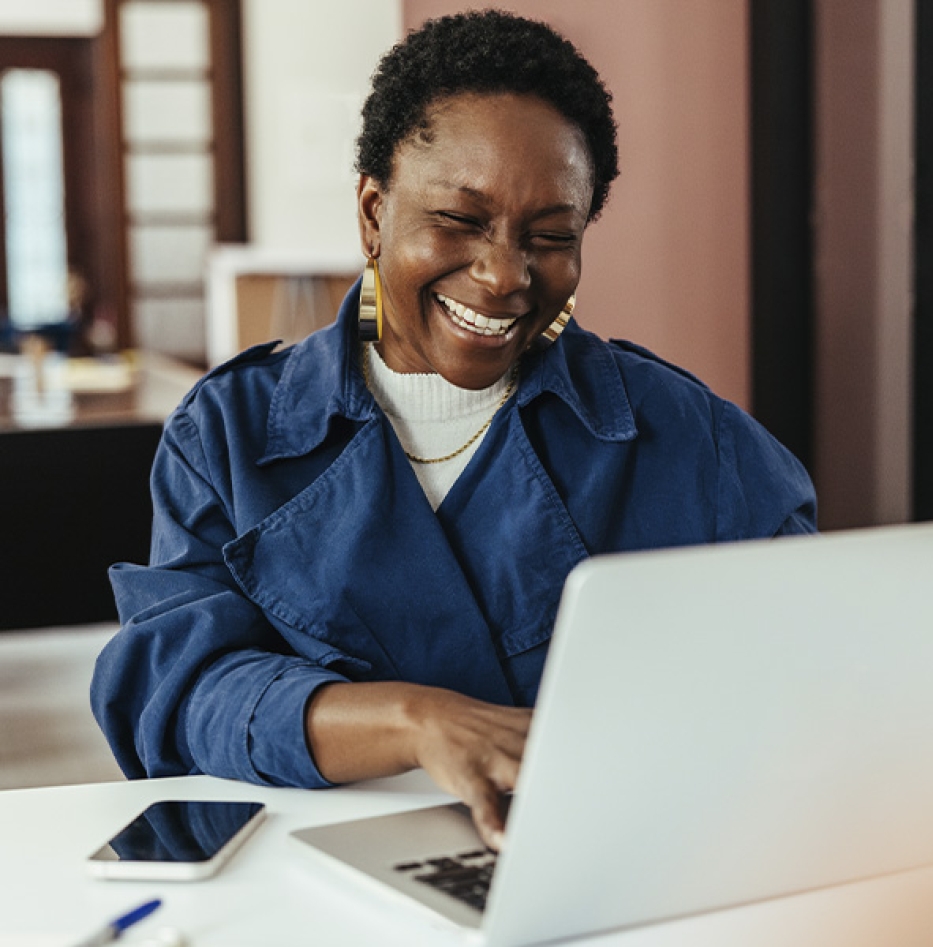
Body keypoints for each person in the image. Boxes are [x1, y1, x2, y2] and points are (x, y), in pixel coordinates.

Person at [92, 10, 816, 851]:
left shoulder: (685, 434)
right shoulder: (230, 430)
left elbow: (803, 659)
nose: (504, 275)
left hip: (604, 855)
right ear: (372, 213)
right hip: (312, 875)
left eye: (551, 237)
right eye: (459, 222)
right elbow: (177, 691)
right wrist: (414, 721)